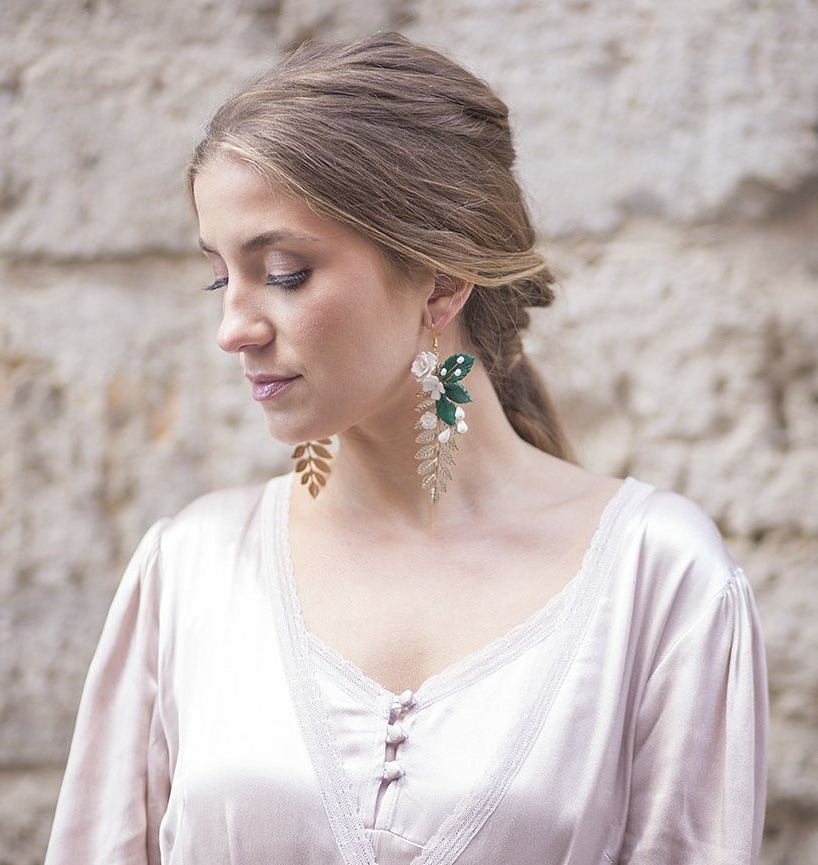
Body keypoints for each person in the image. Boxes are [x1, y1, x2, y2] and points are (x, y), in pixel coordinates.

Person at [44, 31, 768, 865]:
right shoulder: (191, 570)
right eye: (220, 275)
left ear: (441, 279)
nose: (231, 328)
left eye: (282, 272)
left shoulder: (660, 579)